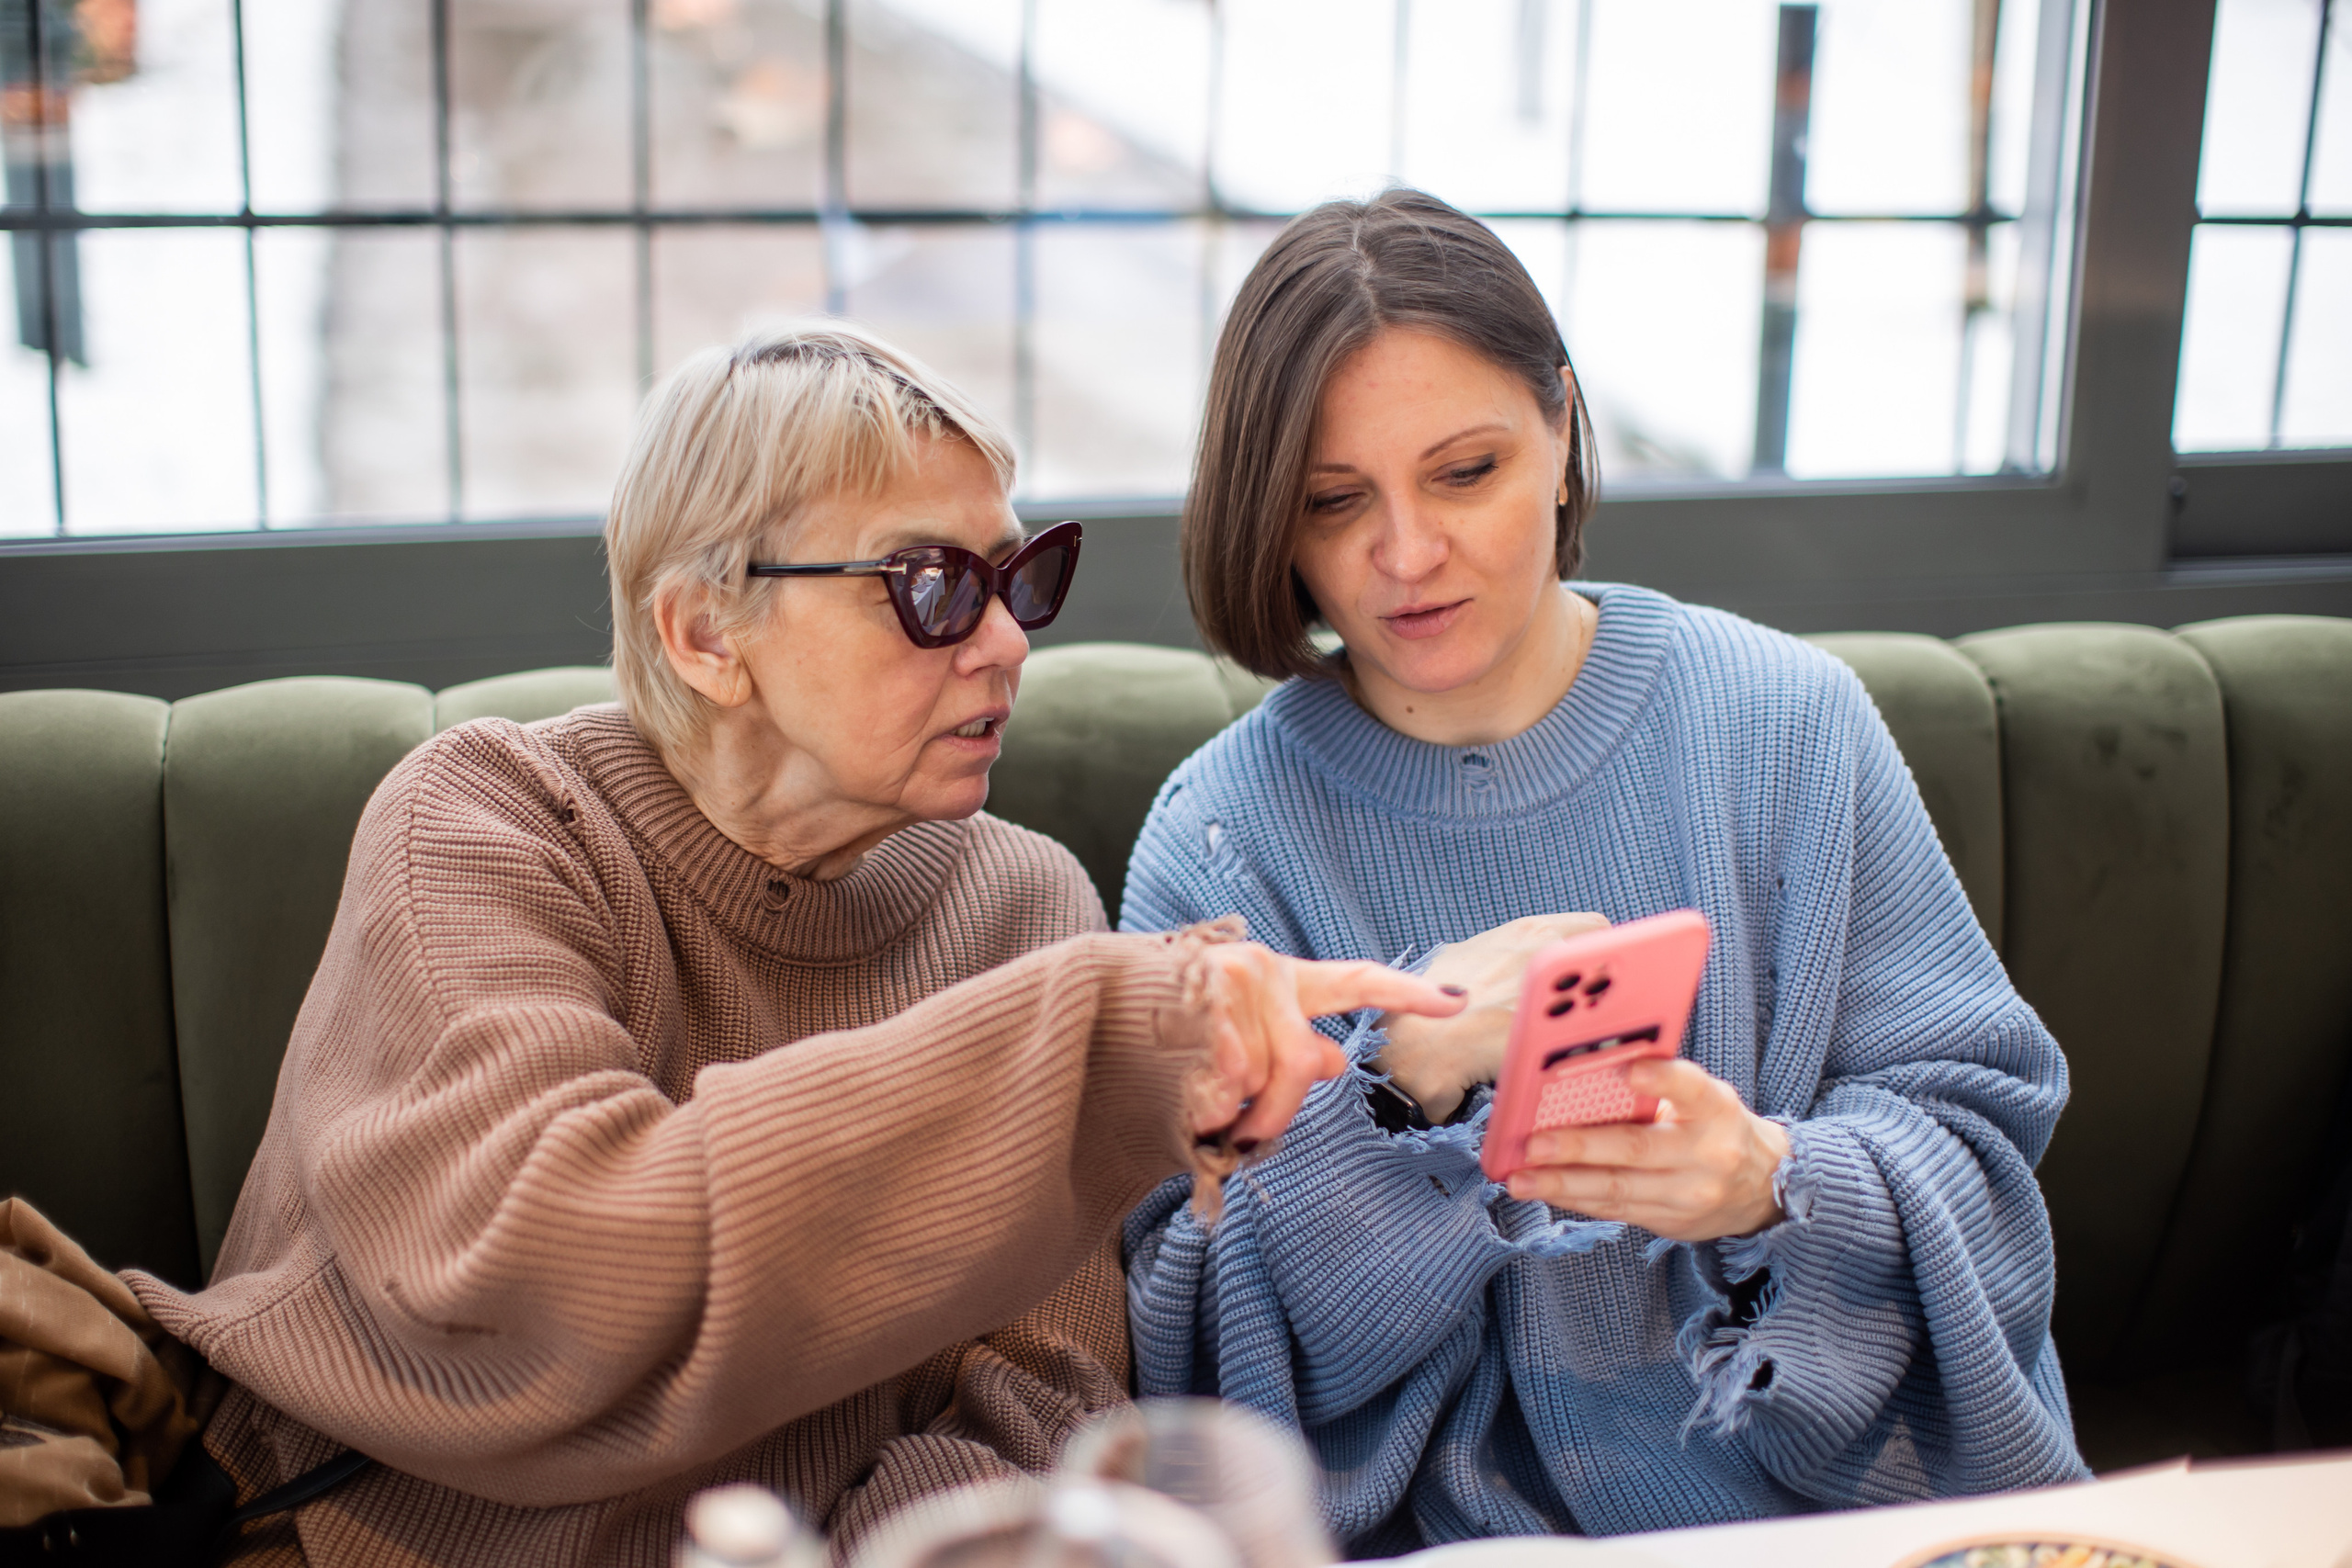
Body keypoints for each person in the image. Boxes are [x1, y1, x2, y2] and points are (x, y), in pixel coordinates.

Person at [120, 322, 1459, 1566]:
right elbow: (538, 1279)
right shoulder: (491, 820)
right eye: (930, 583)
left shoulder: (1021, 902)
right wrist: (1084, 1046)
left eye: (1018, 577)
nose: (1004, 641)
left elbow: (1032, 1397)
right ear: (706, 635)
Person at [1119, 189, 2087, 1553]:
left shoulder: (1787, 726)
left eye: (1466, 472)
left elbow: (1985, 1163)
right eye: (1337, 503)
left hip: (1818, 1520)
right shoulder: (1222, 839)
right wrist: (1404, 1076)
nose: (1406, 554)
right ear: (1273, 524)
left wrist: (1769, 1179)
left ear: (1564, 432)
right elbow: (1192, 1341)